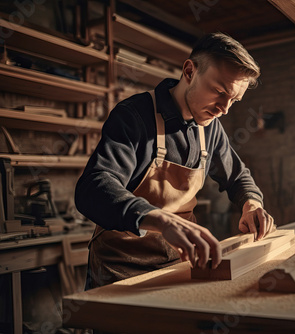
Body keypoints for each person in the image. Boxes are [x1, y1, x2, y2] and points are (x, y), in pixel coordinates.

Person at [75, 32, 274, 289]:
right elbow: (92, 188)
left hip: (178, 264)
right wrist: (160, 219)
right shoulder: (134, 116)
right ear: (190, 71)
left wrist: (251, 203)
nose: (223, 109)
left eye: (233, 100)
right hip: (120, 268)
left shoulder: (210, 127)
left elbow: (237, 177)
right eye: (218, 91)